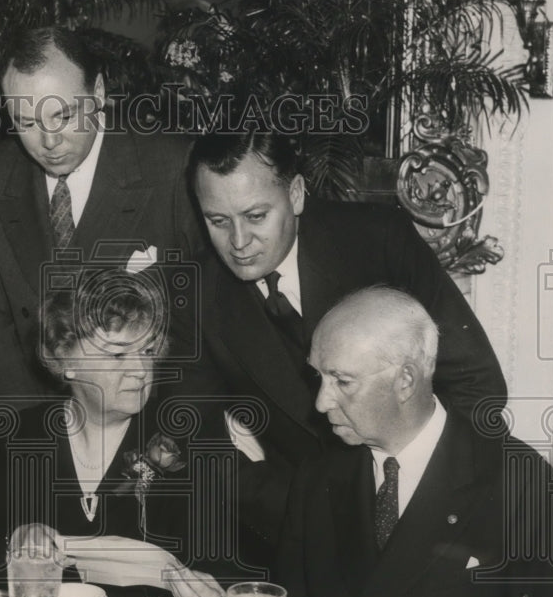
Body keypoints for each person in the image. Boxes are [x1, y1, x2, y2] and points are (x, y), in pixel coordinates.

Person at [176, 129, 508, 560]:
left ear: (295, 195)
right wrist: (309, 517)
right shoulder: (196, 293)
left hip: (424, 506)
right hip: (294, 525)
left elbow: (476, 385)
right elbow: (196, 442)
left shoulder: (378, 240)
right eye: (218, 221)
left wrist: (413, 498)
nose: (239, 242)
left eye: (256, 216)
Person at [275, 287, 553, 597]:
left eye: (342, 381)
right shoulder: (317, 475)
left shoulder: (520, 481)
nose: (321, 402)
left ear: (406, 380)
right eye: (319, 376)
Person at [0, 268, 251, 597]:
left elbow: (235, 565)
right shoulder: (21, 437)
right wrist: (15, 542)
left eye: (148, 350)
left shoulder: (189, 438)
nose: (141, 370)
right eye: (119, 355)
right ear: (66, 360)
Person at [0, 26, 204, 402]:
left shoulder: (171, 166)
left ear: (99, 94)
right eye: (26, 123)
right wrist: (32, 436)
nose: (50, 141)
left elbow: (199, 318)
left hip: (149, 415)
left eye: (64, 115)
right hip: (38, 421)